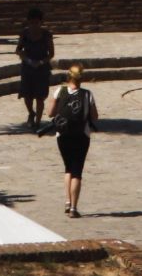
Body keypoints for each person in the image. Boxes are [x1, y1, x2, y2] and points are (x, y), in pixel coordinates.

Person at [48, 64, 100, 217]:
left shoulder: (59, 91)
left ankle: (67, 201)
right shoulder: (87, 94)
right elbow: (95, 116)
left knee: (68, 168)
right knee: (77, 171)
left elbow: (50, 113)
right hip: (81, 135)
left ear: (68, 76)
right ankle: (74, 208)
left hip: (62, 135)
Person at [15, 6, 55, 127]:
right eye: (31, 22)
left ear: (41, 22)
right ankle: (31, 113)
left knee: (39, 96)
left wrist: (41, 62)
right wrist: (25, 58)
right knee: (27, 95)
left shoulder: (47, 35)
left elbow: (51, 53)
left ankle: (37, 121)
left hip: (42, 69)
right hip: (27, 68)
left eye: (36, 22)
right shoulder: (24, 34)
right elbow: (18, 49)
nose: (34, 25)